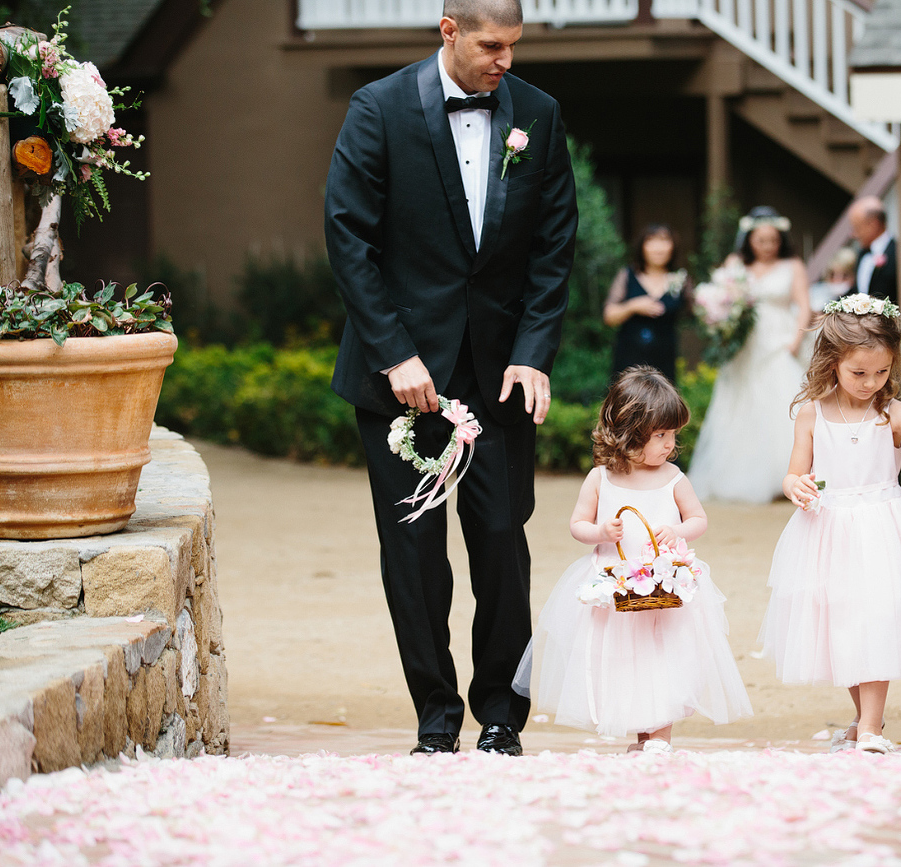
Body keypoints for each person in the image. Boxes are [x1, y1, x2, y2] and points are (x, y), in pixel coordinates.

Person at [324, 0, 578, 757]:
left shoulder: (538, 113)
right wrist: (394, 353)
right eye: (491, 45)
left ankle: (502, 712)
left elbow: (552, 245)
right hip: (401, 379)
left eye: (513, 46)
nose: (504, 60)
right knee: (414, 553)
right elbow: (349, 234)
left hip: (499, 375)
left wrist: (532, 351)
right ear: (450, 32)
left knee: (502, 541)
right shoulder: (378, 107)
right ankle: (435, 717)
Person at [760, 295, 901, 753]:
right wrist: (796, 487)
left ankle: (869, 727)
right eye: (858, 373)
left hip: (884, 529)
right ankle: (864, 721)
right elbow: (793, 472)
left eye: (882, 372)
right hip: (827, 530)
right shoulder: (811, 414)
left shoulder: (893, 413)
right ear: (832, 363)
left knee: (879, 618)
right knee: (840, 624)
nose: (871, 383)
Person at [513, 367, 752, 750]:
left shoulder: (673, 477)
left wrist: (678, 531)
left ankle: (658, 736)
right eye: (660, 435)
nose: (670, 444)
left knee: (664, 658)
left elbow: (698, 519)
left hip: (663, 590)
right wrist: (601, 532)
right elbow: (577, 525)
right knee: (625, 662)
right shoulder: (600, 478)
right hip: (617, 589)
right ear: (628, 430)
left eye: (673, 435)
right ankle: (641, 733)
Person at [687, 207, 811, 503]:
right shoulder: (735, 264)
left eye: (773, 240)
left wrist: (796, 339)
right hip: (744, 344)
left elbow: (804, 305)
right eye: (761, 240)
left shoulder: (792, 265)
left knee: (783, 402)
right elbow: (720, 299)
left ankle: (789, 474)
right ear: (748, 239)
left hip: (779, 340)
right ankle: (741, 476)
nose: (768, 246)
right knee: (740, 405)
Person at [604, 224, 690, 385]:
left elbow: (697, 312)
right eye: (652, 241)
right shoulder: (627, 275)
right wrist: (632, 306)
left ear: (673, 246)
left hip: (665, 360)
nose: (658, 248)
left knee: (664, 406)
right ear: (642, 246)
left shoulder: (681, 279)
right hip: (629, 359)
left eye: (664, 241)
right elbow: (609, 316)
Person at [849, 196, 898, 306]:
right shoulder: (862, 254)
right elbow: (856, 291)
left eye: (856, 228)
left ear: (873, 225)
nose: (853, 235)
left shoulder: (898, 253)